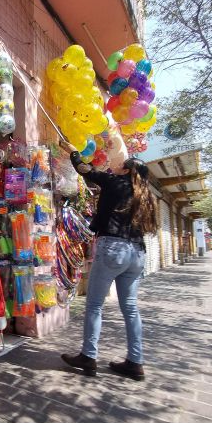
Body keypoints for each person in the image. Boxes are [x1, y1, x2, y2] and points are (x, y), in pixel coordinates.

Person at [60, 141, 158, 380]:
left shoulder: (116, 182)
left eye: (121, 165)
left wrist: (73, 151)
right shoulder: (146, 195)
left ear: (127, 170)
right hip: (137, 253)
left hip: (113, 248)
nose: (116, 166)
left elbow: (84, 170)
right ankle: (135, 362)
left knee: (94, 305)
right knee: (131, 309)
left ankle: (88, 356)